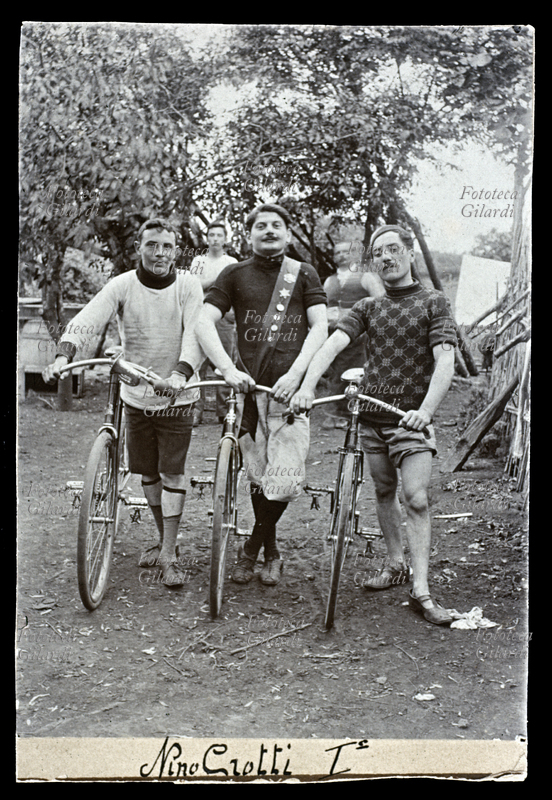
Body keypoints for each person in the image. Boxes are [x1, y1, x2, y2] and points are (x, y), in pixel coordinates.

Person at [290, 224, 457, 625]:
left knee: (415, 498)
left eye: (394, 249)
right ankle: (395, 563)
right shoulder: (369, 307)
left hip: (410, 420)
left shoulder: (433, 302)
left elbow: (445, 360)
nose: (386, 257)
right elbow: (332, 345)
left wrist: (425, 411)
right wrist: (306, 387)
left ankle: (421, 590)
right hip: (372, 417)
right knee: (383, 490)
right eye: (379, 253)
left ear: (410, 254)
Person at [42, 218, 204, 588]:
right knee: (147, 472)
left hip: (178, 394)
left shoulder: (188, 285)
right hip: (136, 394)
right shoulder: (123, 284)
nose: (159, 253)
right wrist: (64, 354)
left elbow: (196, 334)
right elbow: (89, 318)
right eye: (151, 245)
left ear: (176, 251)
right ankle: (165, 542)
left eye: (167, 246)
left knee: (172, 472)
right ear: (138, 248)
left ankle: (169, 552)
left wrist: (180, 374)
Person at [194, 203, 328, 586]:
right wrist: (227, 369)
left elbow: (320, 327)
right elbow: (203, 321)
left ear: (287, 233)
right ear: (248, 234)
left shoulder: (303, 273)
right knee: (257, 476)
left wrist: (298, 375)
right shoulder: (233, 274)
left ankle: (251, 547)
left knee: (283, 482)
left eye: (276, 225)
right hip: (249, 393)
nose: (269, 230)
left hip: (290, 397)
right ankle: (271, 552)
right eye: (261, 226)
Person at [323, 240, 385, 426]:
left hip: (359, 335)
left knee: (355, 373)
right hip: (333, 332)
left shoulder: (366, 276)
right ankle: (336, 414)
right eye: (337, 253)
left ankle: (354, 415)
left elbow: (381, 302)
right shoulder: (330, 281)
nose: (342, 255)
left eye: (346, 252)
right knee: (335, 372)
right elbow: (323, 305)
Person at [189, 222, 238, 424]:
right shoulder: (199, 261)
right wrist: (217, 280)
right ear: (206, 238)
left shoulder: (231, 262)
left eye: (219, 235)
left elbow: (235, 289)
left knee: (224, 361)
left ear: (225, 239)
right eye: (211, 235)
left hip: (224, 316)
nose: (215, 239)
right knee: (197, 363)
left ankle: (224, 411)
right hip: (200, 315)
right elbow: (193, 286)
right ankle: (195, 410)